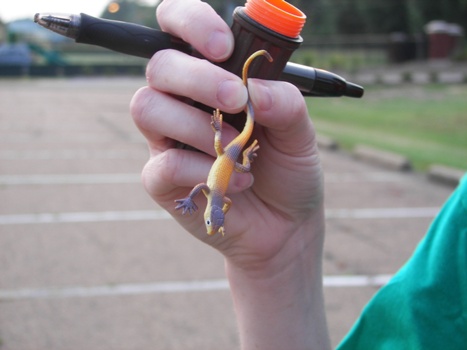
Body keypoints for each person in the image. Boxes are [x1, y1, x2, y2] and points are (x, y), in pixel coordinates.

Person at [130, 0, 467, 349]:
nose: (215, 219)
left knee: (233, 129)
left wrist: (219, 178)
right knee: (234, 129)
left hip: (228, 154)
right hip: (230, 157)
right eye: (214, 218)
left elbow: (204, 186)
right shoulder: (218, 199)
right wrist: (274, 262)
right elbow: (209, 192)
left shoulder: (213, 194)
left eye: (215, 219)